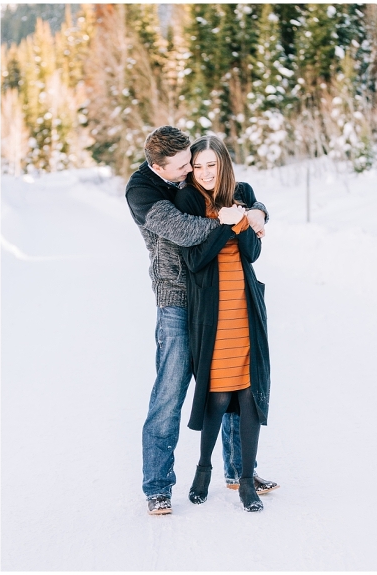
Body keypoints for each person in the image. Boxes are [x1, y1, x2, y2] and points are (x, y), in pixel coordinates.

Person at [125, 126, 276, 515]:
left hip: (215, 295)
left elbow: (240, 194)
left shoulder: (194, 176)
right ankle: (157, 486)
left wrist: (255, 211)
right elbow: (183, 230)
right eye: (182, 167)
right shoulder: (142, 189)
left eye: (192, 163)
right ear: (158, 166)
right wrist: (234, 220)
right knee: (171, 390)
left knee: (233, 375)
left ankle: (239, 470)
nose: (190, 171)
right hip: (177, 297)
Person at [173, 135, 271, 512]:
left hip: (245, 305)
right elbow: (195, 261)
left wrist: (246, 218)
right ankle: (203, 469)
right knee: (216, 389)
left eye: (212, 165)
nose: (205, 173)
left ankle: (246, 480)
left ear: (224, 164)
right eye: (198, 166)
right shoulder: (188, 200)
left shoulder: (243, 191)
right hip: (210, 310)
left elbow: (253, 254)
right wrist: (228, 225)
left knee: (248, 390)